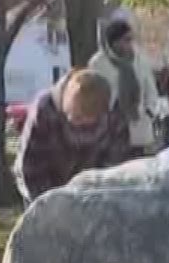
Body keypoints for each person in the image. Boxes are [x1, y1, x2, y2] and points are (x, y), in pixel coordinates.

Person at [14, 69, 133, 201]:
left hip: (93, 190)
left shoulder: (115, 116)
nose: (77, 124)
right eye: (75, 117)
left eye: (87, 121)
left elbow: (115, 166)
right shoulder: (44, 110)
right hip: (44, 184)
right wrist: (48, 203)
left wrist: (100, 196)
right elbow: (31, 166)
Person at [89, 18, 160, 156]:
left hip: (138, 124)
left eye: (130, 39)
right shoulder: (98, 63)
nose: (129, 44)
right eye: (125, 39)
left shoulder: (141, 61)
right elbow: (93, 94)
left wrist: (149, 112)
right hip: (110, 128)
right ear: (114, 42)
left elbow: (151, 90)